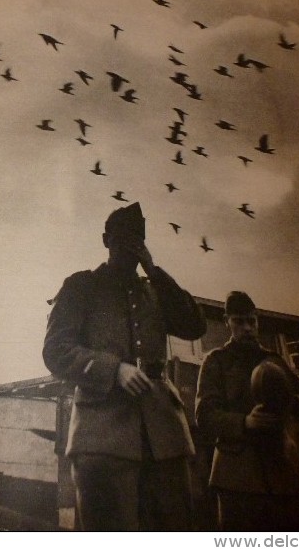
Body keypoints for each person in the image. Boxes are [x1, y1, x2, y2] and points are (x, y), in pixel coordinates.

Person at [43, 202, 207, 531]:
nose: (131, 247)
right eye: (123, 239)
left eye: (138, 240)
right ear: (106, 240)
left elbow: (194, 325)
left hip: (163, 436)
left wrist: (154, 270)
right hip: (102, 434)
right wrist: (113, 369)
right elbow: (55, 350)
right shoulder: (82, 286)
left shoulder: (154, 290)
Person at [196, 291, 299, 531]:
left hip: (284, 474)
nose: (248, 328)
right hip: (237, 477)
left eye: (252, 321)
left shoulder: (275, 361)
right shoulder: (216, 361)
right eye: (239, 321)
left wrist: (288, 401)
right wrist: (245, 423)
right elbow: (204, 416)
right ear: (226, 321)